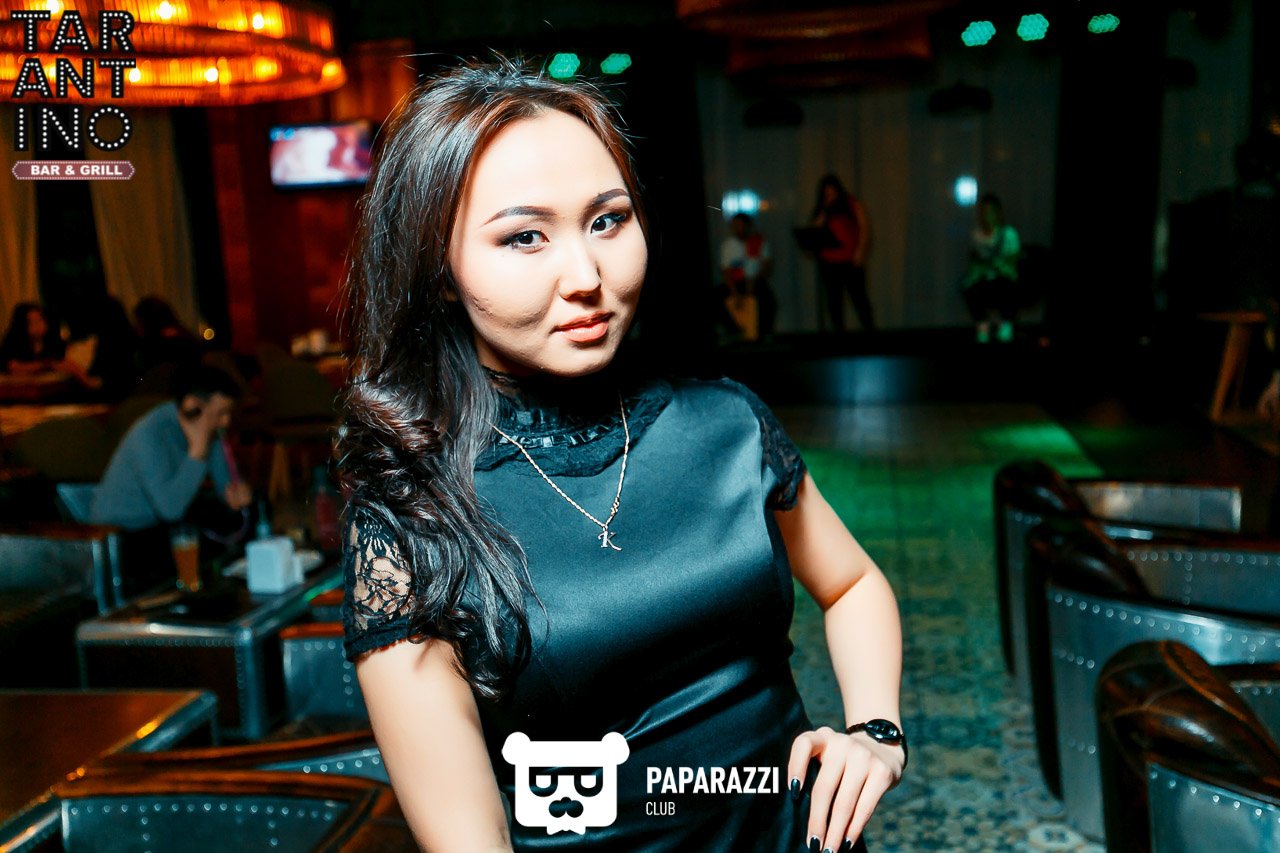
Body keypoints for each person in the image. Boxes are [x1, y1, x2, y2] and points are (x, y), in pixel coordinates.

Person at [339, 59, 905, 853]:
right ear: (439, 272)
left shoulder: (727, 424)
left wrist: (876, 729)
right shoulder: (411, 518)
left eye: (607, 220)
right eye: (525, 236)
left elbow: (852, 584)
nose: (587, 276)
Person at [91, 364, 252, 531]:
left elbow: (226, 483)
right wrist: (197, 451)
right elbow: (171, 509)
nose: (226, 422)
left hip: (162, 529)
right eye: (220, 413)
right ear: (192, 405)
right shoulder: (148, 434)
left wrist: (235, 494)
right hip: (116, 531)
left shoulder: (211, 430)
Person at [809, 175, 874, 333]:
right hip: (829, 263)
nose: (830, 196)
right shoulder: (823, 209)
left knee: (859, 299)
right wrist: (825, 210)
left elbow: (865, 228)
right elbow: (814, 230)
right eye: (827, 194)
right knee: (834, 302)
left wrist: (860, 252)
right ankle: (839, 334)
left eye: (833, 193)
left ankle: (870, 331)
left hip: (850, 261)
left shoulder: (852, 204)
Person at [960, 193, 1022, 343]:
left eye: (991, 212)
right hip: (984, 281)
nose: (987, 216)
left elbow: (1013, 261)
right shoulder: (976, 236)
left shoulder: (1009, 234)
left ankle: (1006, 325)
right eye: (984, 212)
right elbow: (974, 261)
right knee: (969, 288)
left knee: (1008, 288)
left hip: (1005, 281)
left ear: (999, 213)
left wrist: (997, 264)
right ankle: (983, 326)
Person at [720, 212, 778, 342]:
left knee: (768, 301)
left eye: (740, 225)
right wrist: (735, 293)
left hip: (756, 281)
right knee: (716, 298)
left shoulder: (759, 241)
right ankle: (734, 331)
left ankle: (764, 332)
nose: (737, 229)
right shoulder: (728, 245)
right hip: (736, 282)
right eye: (734, 226)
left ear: (747, 226)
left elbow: (766, 265)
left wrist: (753, 282)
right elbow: (726, 272)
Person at [0, 302, 66, 374]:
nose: (39, 325)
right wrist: (44, 365)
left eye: (40, 320)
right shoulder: (13, 341)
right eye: (33, 322)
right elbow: (12, 366)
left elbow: (59, 361)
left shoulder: (51, 339)